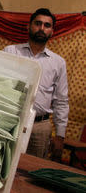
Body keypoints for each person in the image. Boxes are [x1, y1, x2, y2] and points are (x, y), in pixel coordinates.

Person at [4, 8, 69, 161]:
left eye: (47, 25)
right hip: (11, 119)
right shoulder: (11, 52)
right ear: (29, 26)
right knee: (3, 165)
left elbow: (61, 101)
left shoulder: (58, 63)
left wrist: (60, 135)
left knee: (32, 171)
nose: (41, 28)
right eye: (38, 23)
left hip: (40, 127)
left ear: (52, 31)